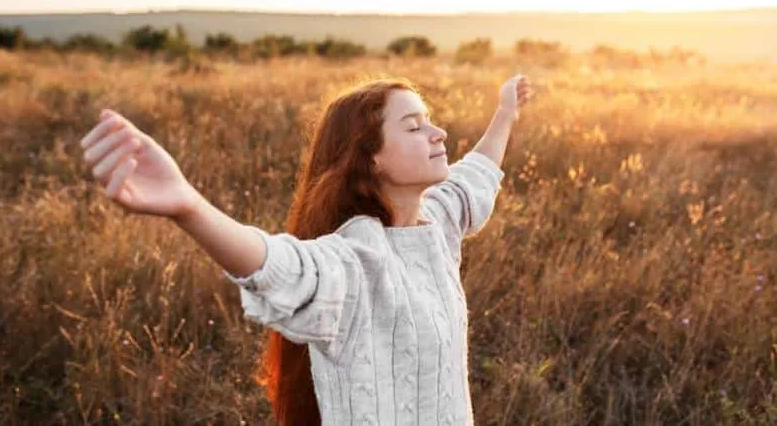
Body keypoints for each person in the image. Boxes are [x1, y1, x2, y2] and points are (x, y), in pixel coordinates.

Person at [79, 74, 532, 425]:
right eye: (414, 126)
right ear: (369, 157)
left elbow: (476, 176)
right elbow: (281, 266)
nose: (438, 133)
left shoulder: (438, 221)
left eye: (429, 121)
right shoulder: (355, 259)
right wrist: (189, 208)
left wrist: (505, 113)